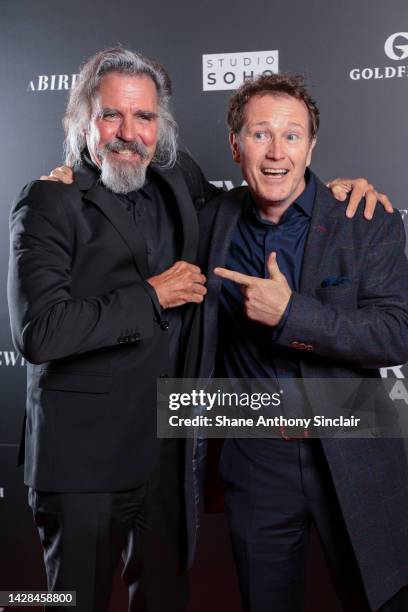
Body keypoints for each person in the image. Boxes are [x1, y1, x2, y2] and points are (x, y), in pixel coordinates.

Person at [11, 47, 393, 612]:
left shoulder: (181, 177)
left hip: (193, 456)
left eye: (143, 117)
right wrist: (151, 295)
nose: (128, 132)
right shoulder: (53, 199)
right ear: (82, 121)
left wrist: (334, 200)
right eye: (111, 115)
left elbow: (392, 329)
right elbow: (38, 332)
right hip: (90, 461)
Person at [197, 73, 408, 612]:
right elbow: (137, 185)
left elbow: (396, 332)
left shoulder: (365, 218)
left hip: (356, 454)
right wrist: (68, 177)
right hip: (256, 460)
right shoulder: (208, 220)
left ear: (312, 145)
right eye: (261, 134)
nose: (276, 153)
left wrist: (292, 313)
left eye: (292, 136)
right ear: (234, 144)